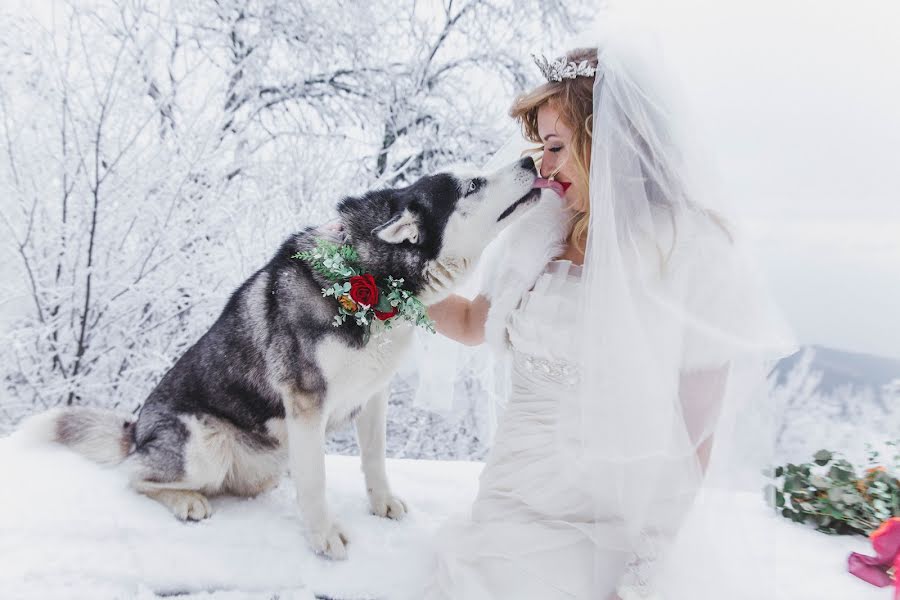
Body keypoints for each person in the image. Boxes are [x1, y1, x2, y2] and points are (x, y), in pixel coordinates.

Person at [419, 18, 794, 600]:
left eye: (555, 146)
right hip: (511, 500)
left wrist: (647, 562)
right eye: (539, 147)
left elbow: (696, 429)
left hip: (612, 523)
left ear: (607, 139)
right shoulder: (534, 231)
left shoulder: (689, 249)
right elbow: (472, 322)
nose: (540, 166)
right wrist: (391, 289)